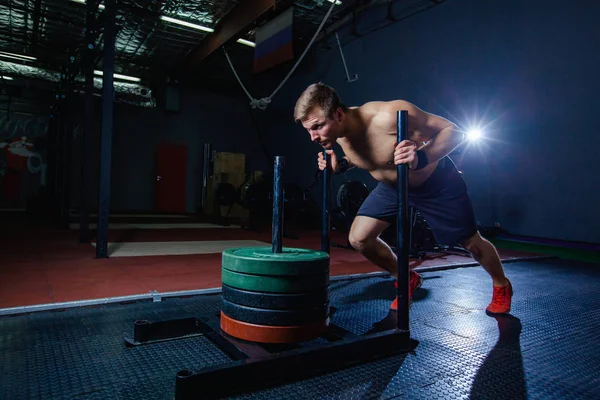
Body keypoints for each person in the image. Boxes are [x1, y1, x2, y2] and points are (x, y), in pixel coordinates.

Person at [293, 82, 512, 314]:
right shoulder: (338, 133)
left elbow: (453, 132)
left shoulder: (388, 116)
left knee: (471, 243)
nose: (312, 137)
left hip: (436, 184)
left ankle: (501, 285)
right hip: (391, 187)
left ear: (338, 114)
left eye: (317, 127)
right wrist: (341, 166)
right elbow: (368, 156)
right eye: (309, 130)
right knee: (359, 238)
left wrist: (421, 157)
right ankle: (407, 278)